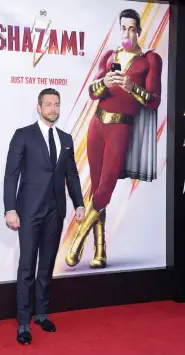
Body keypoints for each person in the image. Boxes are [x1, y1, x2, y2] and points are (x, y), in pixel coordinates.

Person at [65, 8, 162, 269]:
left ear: (139, 31)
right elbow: (92, 92)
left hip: (122, 128)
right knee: (97, 188)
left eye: (132, 28)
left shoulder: (150, 59)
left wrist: (132, 88)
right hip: (98, 125)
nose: (127, 33)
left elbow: (153, 102)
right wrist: (105, 82)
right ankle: (100, 251)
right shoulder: (110, 56)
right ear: (120, 29)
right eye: (123, 28)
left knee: (104, 189)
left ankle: (77, 239)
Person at [4, 88, 85, 345]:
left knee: (47, 265)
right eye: (48, 104)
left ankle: (41, 313)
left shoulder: (66, 138)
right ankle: (24, 322)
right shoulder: (23, 135)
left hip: (55, 212)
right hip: (28, 211)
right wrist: (10, 208)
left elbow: (71, 175)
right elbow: (11, 175)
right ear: (39, 107)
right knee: (27, 266)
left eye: (56, 104)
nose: (53, 108)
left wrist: (80, 204)